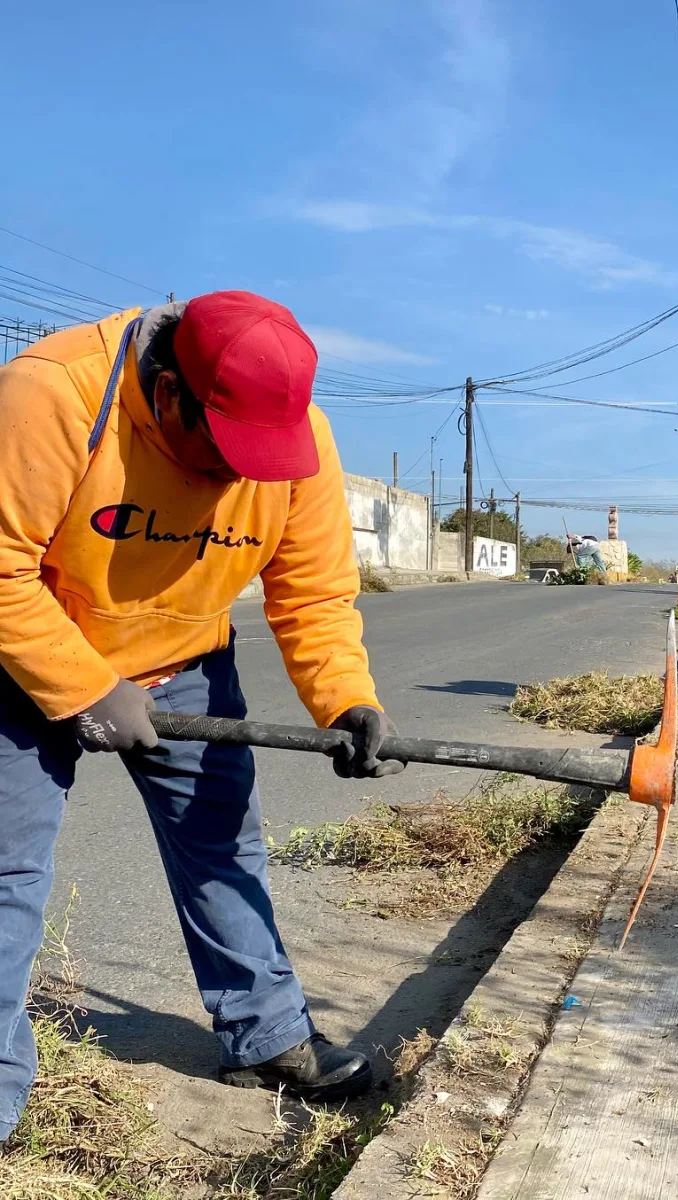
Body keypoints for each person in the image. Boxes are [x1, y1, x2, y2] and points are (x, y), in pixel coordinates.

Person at [0, 292, 406, 1143]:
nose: (235, 479)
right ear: (171, 392)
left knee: (225, 847)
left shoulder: (300, 444)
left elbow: (316, 593)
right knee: (6, 877)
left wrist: (347, 697)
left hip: (186, 662)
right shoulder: (52, 395)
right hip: (26, 654)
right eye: (224, 454)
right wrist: (80, 686)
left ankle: (267, 1037)